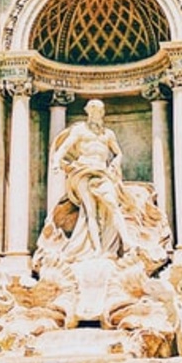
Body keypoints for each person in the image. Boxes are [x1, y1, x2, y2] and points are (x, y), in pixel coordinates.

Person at [50, 99, 134, 260]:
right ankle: (97, 249)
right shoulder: (80, 130)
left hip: (102, 171)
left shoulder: (108, 134)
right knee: (90, 212)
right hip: (83, 170)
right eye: (93, 111)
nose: (96, 114)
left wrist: (115, 163)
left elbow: (118, 153)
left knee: (113, 205)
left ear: (102, 113)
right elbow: (64, 147)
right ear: (88, 112)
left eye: (99, 111)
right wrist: (55, 161)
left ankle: (127, 241)